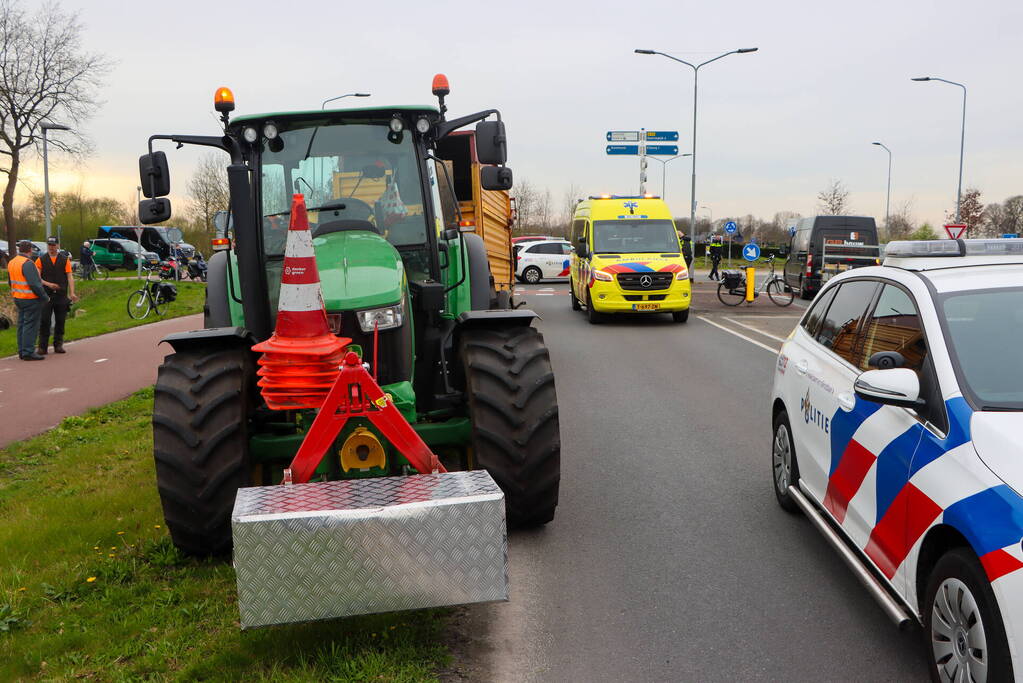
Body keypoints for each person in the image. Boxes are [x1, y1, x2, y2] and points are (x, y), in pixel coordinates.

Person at [6, 240, 49, 360]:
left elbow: (10, 282)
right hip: (30, 299)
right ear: (30, 250)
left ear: (20, 249)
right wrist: (44, 297)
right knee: (31, 326)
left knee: (22, 325)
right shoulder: (28, 263)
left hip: (18, 297)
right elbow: (35, 284)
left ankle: (22, 351)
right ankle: (28, 352)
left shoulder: (12, 262)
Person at [35, 236, 77, 354]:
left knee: (60, 320)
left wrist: (72, 292)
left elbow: (70, 277)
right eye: (49, 245)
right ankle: (42, 347)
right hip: (46, 296)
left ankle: (58, 344)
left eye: (53, 245)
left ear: (58, 246)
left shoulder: (64, 259)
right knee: (45, 321)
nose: (51, 247)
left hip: (61, 295)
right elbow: (37, 278)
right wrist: (49, 284)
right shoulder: (40, 260)